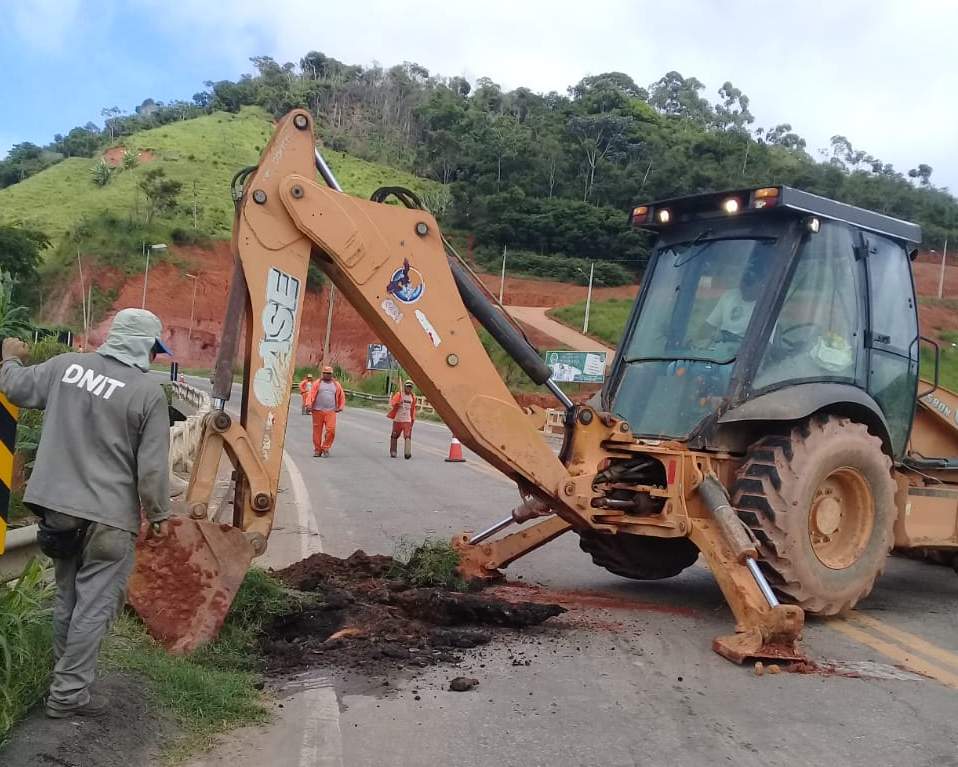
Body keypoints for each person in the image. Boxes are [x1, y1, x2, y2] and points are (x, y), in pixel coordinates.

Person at [0, 308, 172, 719]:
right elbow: (152, 469)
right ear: (145, 345)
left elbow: (15, 386)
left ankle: (62, 682)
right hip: (110, 517)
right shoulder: (147, 393)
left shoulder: (66, 367)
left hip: (58, 509)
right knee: (93, 606)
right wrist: (159, 515)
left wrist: (8, 356)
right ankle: (67, 696)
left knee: (68, 599)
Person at [304, 366, 344, 457]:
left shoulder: (336, 384)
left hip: (331, 411)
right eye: (325, 373)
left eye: (329, 373)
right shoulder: (317, 383)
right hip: (317, 411)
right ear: (322, 374)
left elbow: (341, 396)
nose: (327, 375)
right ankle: (317, 450)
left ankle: (325, 447)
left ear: (331, 374)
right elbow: (311, 395)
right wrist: (308, 404)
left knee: (331, 430)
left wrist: (340, 406)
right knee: (317, 431)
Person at [387, 379, 417, 459]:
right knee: (394, 435)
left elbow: (413, 408)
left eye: (410, 387)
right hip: (398, 419)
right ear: (404, 387)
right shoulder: (399, 394)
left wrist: (413, 419)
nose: (409, 388)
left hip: (407, 420)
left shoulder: (413, 397)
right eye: (407, 386)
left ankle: (407, 453)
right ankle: (393, 451)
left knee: (407, 436)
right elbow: (392, 403)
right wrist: (398, 403)